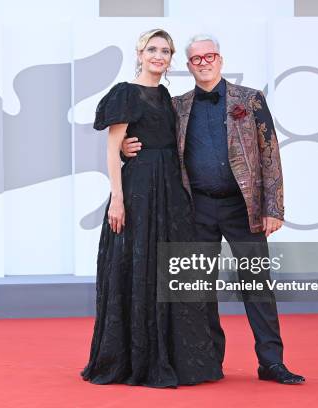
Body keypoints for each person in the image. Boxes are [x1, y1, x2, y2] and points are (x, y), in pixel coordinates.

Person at [122, 34, 305, 385]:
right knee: (198, 290)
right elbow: (153, 142)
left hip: (243, 208)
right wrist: (125, 148)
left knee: (258, 285)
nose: (203, 62)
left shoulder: (249, 100)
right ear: (188, 65)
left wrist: (274, 207)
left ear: (220, 60)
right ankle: (209, 362)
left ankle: (271, 362)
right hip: (196, 209)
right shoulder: (177, 106)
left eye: (210, 56)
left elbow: (269, 154)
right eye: (196, 59)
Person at [81, 29, 223, 388]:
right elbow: (113, 150)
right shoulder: (126, 93)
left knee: (171, 271)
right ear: (140, 53)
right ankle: (138, 359)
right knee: (139, 266)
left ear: (171, 58)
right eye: (153, 49)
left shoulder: (165, 96)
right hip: (139, 192)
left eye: (165, 51)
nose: (159, 56)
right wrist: (117, 198)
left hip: (171, 193)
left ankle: (176, 357)